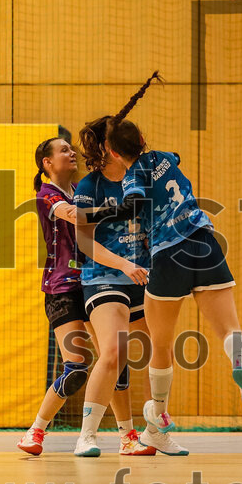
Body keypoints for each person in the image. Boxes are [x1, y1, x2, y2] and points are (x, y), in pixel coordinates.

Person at [84, 72, 242, 454]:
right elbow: (168, 161)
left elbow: (132, 202)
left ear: (113, 154)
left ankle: (159, 416)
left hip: (167, 254)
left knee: (159, 345)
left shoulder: (132, 175)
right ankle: (239, 364)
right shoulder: (165, 158)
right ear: (144, 141)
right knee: (229, 327)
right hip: (204, 241)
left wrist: (100, 211)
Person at [18, 136, 147, 456]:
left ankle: (127, 436)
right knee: (76, 366)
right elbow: (76, 216)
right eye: (63, 150)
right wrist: (120, 207)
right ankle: (35, 431)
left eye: (71, 148)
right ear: (47, 163)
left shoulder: (82, 191)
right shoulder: (47, 195)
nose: (71, 152)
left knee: (115, 360)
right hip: (62, 289)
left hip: (94, 283)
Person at [71, 117, 160, 457]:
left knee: (161, 353)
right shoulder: (90, 186)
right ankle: (87, 436)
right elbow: (83, 240)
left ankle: (143, 433)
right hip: (106, 276)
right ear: (108, 147)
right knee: (112, 352)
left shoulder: (145, 176)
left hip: (146, 277)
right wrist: (124, 264)